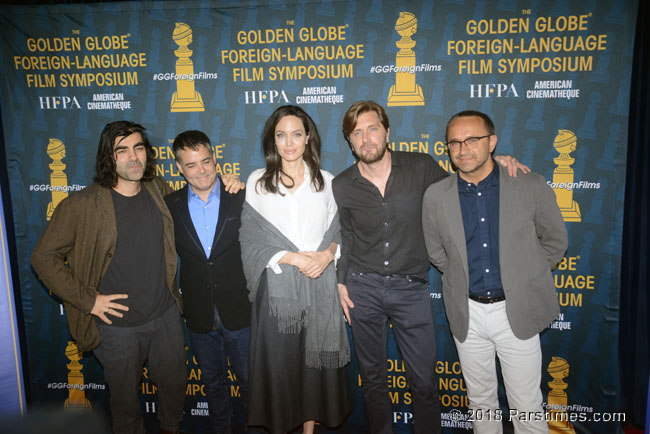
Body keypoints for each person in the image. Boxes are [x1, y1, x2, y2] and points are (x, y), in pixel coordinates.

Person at [332, 101, 526, 434]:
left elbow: (462, 187)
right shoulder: (342, 184)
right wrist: (340, 282)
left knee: (424, 381)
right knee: (374, 380)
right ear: (350, 141)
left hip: (411, 288)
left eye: (372, 128)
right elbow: (345, 238)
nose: (366, 139)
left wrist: (497, 164)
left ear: (387, 131)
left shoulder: (421, 167)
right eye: (357, 133)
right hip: (362, 287)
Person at [30, 121, 186, 434]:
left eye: (139, 148)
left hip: (165, 317)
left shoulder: (158, 189)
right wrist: (90, 300)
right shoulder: (81, 205)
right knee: (126, 409)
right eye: (123, 150)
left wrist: (223, 183)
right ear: (108, 157)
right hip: (117, 330)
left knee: (174, 393)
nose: (134, 157)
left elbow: (193, 203)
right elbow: (42, 258)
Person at [422, 110, 568, 433]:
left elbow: (556, 241)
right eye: (455, 143)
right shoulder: (436, 196)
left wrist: (525, 278)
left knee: (526, 405)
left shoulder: (528, 184)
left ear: (492, 142)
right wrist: (461, 280)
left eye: (472, 139)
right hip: (468, 314)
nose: (463, 149)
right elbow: (437, 253)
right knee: (480, 402)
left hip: (516, 311)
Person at [239, 105, 351, 434]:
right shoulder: (257, 183)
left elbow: (339, 234)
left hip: (319, 291)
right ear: (272, 141)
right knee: (280, 368)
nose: (289, 142)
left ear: (308, 138)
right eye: (281, 135)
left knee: (312, 371)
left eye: (296, 134)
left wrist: (327, 255)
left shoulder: (327, 183)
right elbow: (249, 240)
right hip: (276, 298)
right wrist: (292, 258)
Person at [165, 130, 251, 434]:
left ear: (215, 158)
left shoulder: (239, 195)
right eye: (191, 165)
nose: (201, 170)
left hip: (239, 310)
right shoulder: (169, 204)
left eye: (205, 161)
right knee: (213, 385)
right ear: (178, 167)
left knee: (249, 383)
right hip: (198, 314)